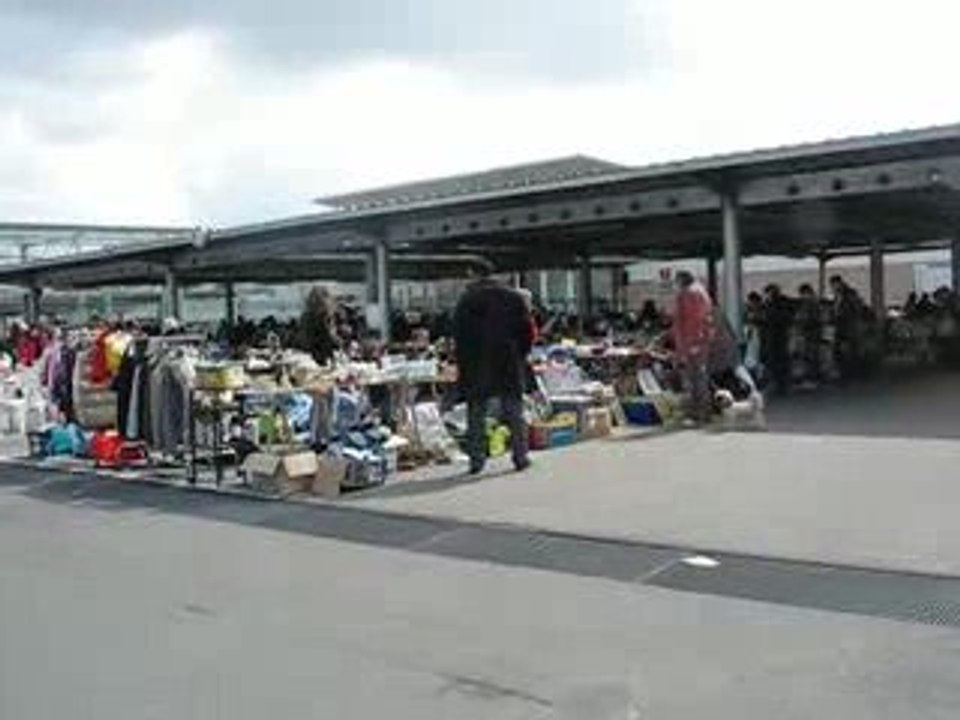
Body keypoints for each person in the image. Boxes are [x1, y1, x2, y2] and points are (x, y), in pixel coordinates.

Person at [453, 275, 533, 475]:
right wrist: (520, 354)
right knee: (514, 411)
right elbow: (527, 331)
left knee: (476, 413)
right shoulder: (514, 298)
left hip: (475, 362)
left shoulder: (466, 301)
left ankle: (476, 460)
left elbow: (457, 334)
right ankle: (520, 456)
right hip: (508, 359)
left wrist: (463, 361)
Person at [671, 270, 715, 422]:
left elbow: (695, 319)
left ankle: (697, 413)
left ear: (682, 281)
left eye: (676, 281)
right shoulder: (701, 291)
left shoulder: (689, 294)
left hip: (691, 343)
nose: (674, 284)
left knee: (693, 379)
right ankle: (703, 413)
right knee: (700, 377)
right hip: (699, 342)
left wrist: (693, 343)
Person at [761, 284, 794, 394]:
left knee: (776, 361)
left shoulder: (773, 305)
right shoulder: (783, 303)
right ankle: (782, 384)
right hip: (780, 337)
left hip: (775, 337)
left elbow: (770, 318)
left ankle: (779, 384)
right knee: (781, 361)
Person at [794, 283, 823, 384]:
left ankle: (813, 379)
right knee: (810, 357)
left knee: (811, 358)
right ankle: (812, 379)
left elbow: (811, 319)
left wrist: (800, 321)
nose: (802, 296)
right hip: (810, 335)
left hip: (811, 335)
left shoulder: (811, 304)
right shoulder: (811, 303)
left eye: (803, 294)